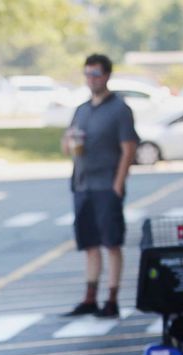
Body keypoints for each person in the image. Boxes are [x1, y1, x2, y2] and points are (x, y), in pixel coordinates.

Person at [62, 53, 138, 319]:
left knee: (111, 242)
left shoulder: (119, 109)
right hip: (82, 185)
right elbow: (65, 147)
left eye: (95, 74)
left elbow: (129, 148)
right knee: (89, 244)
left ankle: (112, 299)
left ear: (106, 76)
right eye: (87, 74)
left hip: (107, 185)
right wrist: (69, 140)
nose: (91, 79)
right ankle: (90, 298)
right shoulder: (81, 110)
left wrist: (118, 184)